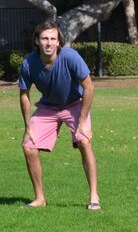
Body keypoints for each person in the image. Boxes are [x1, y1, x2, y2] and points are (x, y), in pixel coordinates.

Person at [18, 20, 101, 210]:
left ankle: (94, 197)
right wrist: (27, 127)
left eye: (53, 39)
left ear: (58, 42)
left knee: (84, 140)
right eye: (44, 38)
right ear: (37, 41)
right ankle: (40, 199)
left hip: (74, 103)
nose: (48, 43)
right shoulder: (28, 63)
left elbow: (89, 86)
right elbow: (24, 95)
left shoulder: (71, 57)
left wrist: (83, 122)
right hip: (48, 107)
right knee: (28, 146)